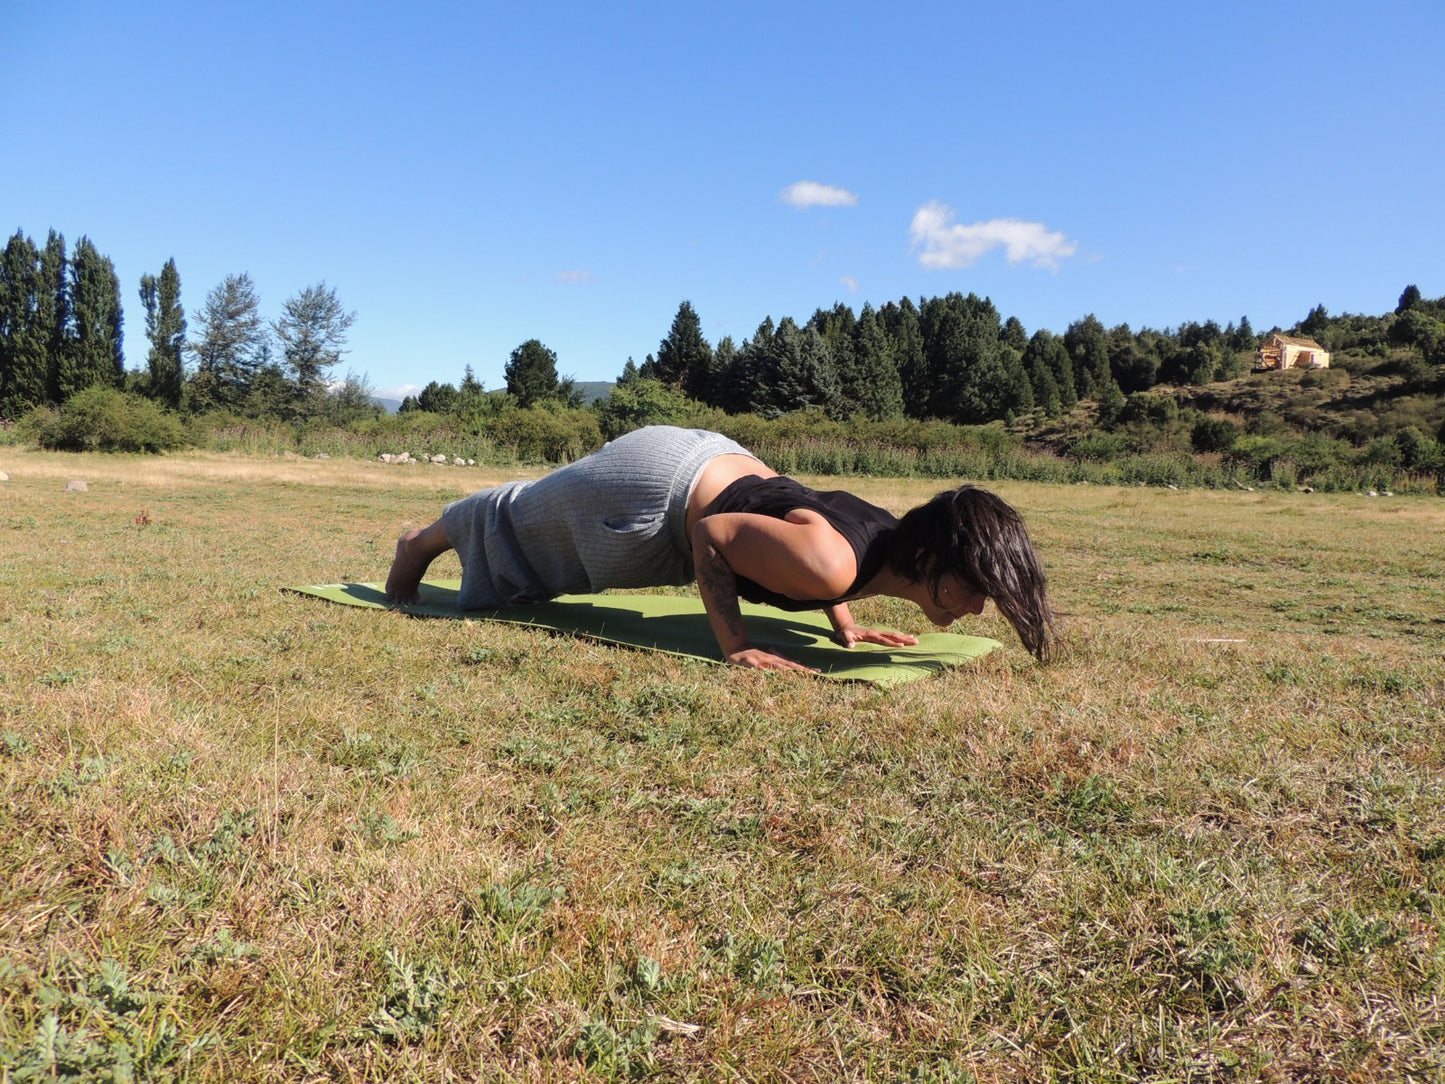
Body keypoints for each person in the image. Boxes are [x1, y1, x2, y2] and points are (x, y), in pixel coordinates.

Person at [385, 425, 1058, 672]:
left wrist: (845, 622)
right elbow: (715, 535)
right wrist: (733, 643)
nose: (974, 612)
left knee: (537, 546)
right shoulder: (833, 564)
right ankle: (418, 543)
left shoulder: (880, 542)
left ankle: (431, 539)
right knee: (531, 528)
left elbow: (816, 540)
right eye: (976, 591)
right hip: (667, 488)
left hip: (715, 464)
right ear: (933, 563)